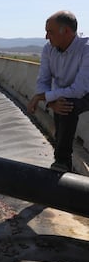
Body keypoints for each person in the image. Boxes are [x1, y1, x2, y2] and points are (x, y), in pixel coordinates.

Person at [27, 10, 89, 172]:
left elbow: (80, 89)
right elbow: (43, 80)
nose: (47, 37)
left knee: (66, 105)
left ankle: (62, 161)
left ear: (66, 31)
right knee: (61, 103)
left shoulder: (86, 49)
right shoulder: (49, 49)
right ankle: (61, 155)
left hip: (85, 93)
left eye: (50, 32)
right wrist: (50, 101)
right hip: (64, 93)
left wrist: (42, 97)